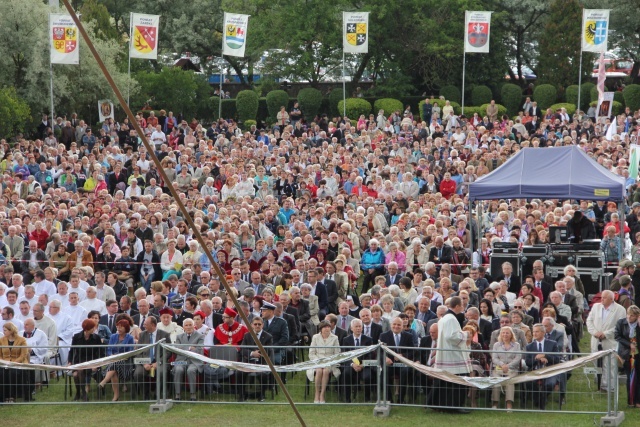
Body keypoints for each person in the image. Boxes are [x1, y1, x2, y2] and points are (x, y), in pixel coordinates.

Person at [431, 296, 471, 411]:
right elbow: (451, 336)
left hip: (447, 354)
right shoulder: (451, 319)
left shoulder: (445, 317)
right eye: (462, 305)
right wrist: (465, 334)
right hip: (453, 356)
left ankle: (440, 405)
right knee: (458, 381)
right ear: (457, 306)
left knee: (445, 383)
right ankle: (455, 406)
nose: (463, 308)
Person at [586, 290, 627, 392]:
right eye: (601, 297)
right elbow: (589, 321)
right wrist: (595, 332)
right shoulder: (596, 307)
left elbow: (619, 326)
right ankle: (599, 383)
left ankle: (610, 387)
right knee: (596, 361)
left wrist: (605, 334)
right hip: (596, 339)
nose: (602, 299)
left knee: (610, 363)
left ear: (611, 299)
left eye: (604, 298)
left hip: (610, 340)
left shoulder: (620, 309)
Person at [133, 316, 171, 400]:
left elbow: (168, 351)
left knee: (161, 373)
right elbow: (138, 351)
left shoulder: (164, 335)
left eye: (146, 324)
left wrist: (159, 362)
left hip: (159, 361)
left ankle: (157, 395)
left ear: (153, 325)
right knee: (138, 374)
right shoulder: (142, 335)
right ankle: (146, 396)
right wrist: (144, 363)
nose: (143, 325)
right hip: (145, 361)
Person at [236, 316, 273, 402]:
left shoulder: (268, 337)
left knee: (262, 374)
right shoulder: (247, 336)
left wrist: (258, 353)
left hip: (262, 363)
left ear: (262, 325)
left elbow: (268, 350)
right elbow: (242, 349)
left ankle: (262, 395)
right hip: (248, 362)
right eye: (255, 324)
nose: (257, 326)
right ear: (252, 325)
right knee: (239, 373)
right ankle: (241, 395)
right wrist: (252, 353)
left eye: (259, 324)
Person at [379, 316, 414, 404]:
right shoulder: (383, 335)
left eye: (399, 325)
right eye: (394, 324)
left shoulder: (408, 336)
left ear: (402, 326)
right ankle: (389, 399)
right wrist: (385, 358)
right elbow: (379, 351)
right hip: (389, 364)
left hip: (403, 364)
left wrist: (403, 356)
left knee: (405, 372)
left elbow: (413, 352)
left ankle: (401, 399)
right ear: (391, 325)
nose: (396, 326)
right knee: (384, 372)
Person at [524, 324, 560, 410]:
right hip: (534, 370)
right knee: (529, 383)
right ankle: (540, 401)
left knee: (550, 384)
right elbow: (528, 362)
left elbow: (557, 359)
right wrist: (537, 358)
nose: (534, 334)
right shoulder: (529, 346)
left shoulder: (552, 344)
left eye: (537, 331)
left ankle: (540, 401)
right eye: (533, 332)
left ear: (543, 332)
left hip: (549, 370)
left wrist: (546, 356)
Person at [98, 319, 134, 401]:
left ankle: (104, 381)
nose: (119, 329)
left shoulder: (130, 338)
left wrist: (120, 356)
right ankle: (116, 396)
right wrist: (112, 355)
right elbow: (109, 349)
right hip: (113, 361)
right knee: (114, 370)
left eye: (121, 327)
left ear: (126, 328)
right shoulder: (113, 336)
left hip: (125, 363)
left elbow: (130, 351)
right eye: (117, 327)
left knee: (115, 365)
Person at [68, 319, 103, 401]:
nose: (94, 329)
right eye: (92, 328)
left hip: (91, 363)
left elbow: (101, 353)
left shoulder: (96, 338)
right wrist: (70, 362)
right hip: (79, 361)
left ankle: (81, 393)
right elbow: (72, 351)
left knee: (79, 372)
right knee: (76, 374)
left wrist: (96, 365)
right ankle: (80, 393)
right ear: (87, 329)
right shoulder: (76, 337)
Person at [340, 319, 374, 403]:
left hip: (364, 365)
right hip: (352, 365)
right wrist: (352, 364)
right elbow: (345, 354)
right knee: (346, 374)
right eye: (356, 327)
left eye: (360, 326)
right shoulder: (346, 340)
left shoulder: (368, 339)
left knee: (367, 376)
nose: (358, 328)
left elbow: (370, 355)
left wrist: (362, 365)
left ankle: (367, 398)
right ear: (351, 328)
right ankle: (347, 399)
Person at [307, 320, 341, 404]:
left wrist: (328, 362)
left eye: (329, 327)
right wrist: (319, 362)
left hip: (330, 362)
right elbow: (311, 353)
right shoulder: (315, 337)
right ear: (321, 329)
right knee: (319, 370)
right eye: (325, 327)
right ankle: (317, 393)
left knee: (325, 371)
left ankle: (322, 394)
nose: (327, 329)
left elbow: (337, 353)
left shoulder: (335, 338)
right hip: (317, 361)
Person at [614, 305, 640, 408]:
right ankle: (631, 400)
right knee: (631, 377)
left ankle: (638, 400)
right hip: (626, 354)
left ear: (637, 316)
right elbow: (617, 336)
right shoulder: (621, 323)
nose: (629, 317)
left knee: (638, 377)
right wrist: (629, 344)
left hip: (637, 354)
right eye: (628, 314)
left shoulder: (638, 325)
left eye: (632, 316)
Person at [490, 326, 522, 410]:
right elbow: (494, 358)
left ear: (511, 334)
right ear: (500, 334)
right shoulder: (496, 345)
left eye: (507, 333)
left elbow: (518, 358)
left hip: (512, 369)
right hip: (498, 368)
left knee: (509, 381)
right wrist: (502, 365)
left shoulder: (516, 345)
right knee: (496, 380)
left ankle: (509, 404)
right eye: (503, 333)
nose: (505, 334)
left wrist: (508, 366)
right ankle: (495, 403)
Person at [173, 318, 204, 401]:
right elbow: (177, 348)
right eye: (186, 325)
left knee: (191, 370)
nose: (188, 327)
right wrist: (190, 347)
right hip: (181, 360)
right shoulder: (179, 337)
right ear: (183, 327)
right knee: (178, 369)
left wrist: (184, 348)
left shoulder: (200, 336)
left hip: (194, 361)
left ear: (194, 326)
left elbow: (199, 349)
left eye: (190, 325)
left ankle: (193, 394)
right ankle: (178, 394)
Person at [0, 322, 30, 402]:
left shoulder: (21, 340)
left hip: (18, 363)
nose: (4, 332)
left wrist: (13, 363)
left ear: (11, 330)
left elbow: (24, 354)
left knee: (13, 373)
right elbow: (0, 355)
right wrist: (4, 362)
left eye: (5, 330)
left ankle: (12, 396)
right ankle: (3, 397)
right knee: (2, 373)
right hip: (4, 363)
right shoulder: (1, 340)